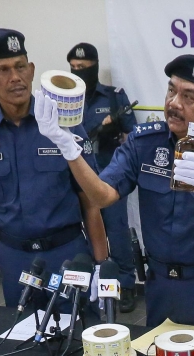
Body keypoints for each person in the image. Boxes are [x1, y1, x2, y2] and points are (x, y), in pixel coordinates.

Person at [33, 54, 194, 343]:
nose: (174, 103)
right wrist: (67, 147)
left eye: (188, 97)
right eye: (171, 90)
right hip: (159, 283)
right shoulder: (143, 141)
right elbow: (102, 196)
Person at [0, 29, 108, 313]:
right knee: (24, 338)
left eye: (20, 66)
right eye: (3, 70)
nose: (15, 77)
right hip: (15, 258)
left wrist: (101, 265)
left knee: (79, 335)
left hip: (68, 252)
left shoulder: (64, 126)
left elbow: (91, 203)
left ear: (32, 70)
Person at [67, 42, 138, 312]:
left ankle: (125, 284)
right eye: (73, 68)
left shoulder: (113, 97)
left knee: (117, 231)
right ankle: (93, 283)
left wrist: (115, 134)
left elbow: (133, 136)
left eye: (83, 68)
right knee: (85, 234)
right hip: (78, 180)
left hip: (110, 177)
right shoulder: (68, 100)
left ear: (94, 67)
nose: (78, 72)